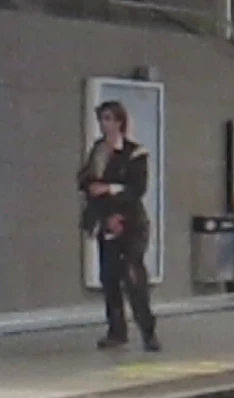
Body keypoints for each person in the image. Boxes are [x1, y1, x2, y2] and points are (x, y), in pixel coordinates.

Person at [77, 100, 161, 352]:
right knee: (109, 277)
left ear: (120, 122)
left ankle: (148, 330)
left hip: (132, 222)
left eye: (109, 119)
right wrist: (102, 210)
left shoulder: (135, 153)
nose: (105, 124)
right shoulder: (98, 151)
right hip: (106, 220)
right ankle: (116, 331)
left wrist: (111, 189)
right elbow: (86, 180)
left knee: (133, 275)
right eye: (102, 119)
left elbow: (137, 188)